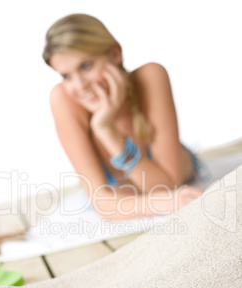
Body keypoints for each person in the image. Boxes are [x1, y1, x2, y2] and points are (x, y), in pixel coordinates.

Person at [43, 13, 202, 220]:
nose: (80, 85)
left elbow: (166, 186)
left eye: (86, 66)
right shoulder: (63, 99)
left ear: (115, 53)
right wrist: (103, 127)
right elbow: (103, 204)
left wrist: (108, 132)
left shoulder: (150, 77)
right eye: (66, 76)